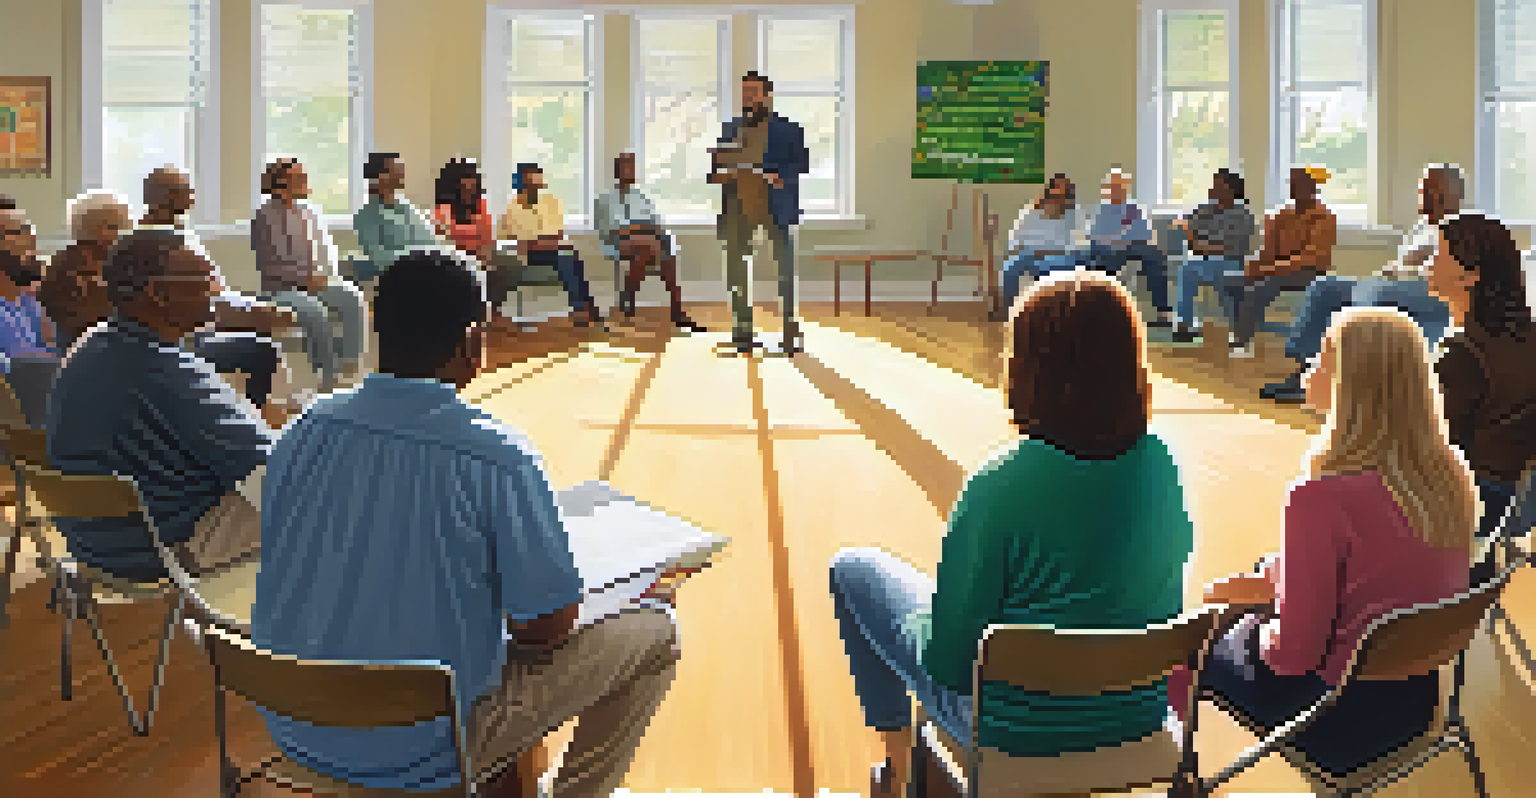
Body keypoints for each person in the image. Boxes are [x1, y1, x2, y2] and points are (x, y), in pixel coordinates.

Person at [252, 249, 681, 797]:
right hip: (427, 746)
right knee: (655, 629)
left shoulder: (300, 432)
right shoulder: (495, 455)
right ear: (470, 341)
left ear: (380, 330)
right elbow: (544, 628)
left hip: (294, 722)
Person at [829, 270, 1194, 798]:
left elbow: (949, 665)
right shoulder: (1164, 464)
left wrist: (928, 616)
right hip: (1136, 718)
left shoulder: (999, 485)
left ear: (1028, 369)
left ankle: (899, 762)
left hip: (1013, 733)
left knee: (854, 570)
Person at [1173, 306, 1476, 778]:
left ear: (1352, 384)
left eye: (1323, 355)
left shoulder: (1320, 498)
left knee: (1194, 639)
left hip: (1331, 718)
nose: (1311, 365)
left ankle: (1186, 777)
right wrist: (1277, 582)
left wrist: (1258, 615)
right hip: (1414, 705)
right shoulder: (1449, 476)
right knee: (1259, 579)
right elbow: (1382, 568)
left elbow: (1292, 659)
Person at [47, 229, 283, 583]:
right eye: (204, 278)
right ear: (159, 293)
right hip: (165, 547)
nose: (215, 289)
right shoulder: (164, 370)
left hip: (92, 544)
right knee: (333, 500)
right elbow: (272, 467)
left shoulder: (91, 345)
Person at [1261, 166, 1462, 402]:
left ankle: (1336, 375)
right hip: (1396, 284)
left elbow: (1442, 270)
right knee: (1327, 285)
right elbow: (1401, 263)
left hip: (1432, 292)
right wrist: (1393, 271)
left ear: (1453, 194)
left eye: (1433, 190)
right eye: (1424, 189)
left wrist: (1401, 270)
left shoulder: (1460, 227)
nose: (1426, 196)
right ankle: (1305, 369)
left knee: (1373, 289)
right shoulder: (1421, 227)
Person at [136, 168, 299, 417]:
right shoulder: (154, 240)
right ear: (164, 195)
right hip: (180, 341)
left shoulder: (178, 230)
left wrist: (249, 308)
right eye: (185, 190)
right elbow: (196, 299)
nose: (192, 195)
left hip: (203, 323)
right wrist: (247, 313)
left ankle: (266, 412)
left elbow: (213, 289)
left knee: (267, 334)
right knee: (262, 348)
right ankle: (263, 416)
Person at [1426, 213, 1536, 548]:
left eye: (1439, 255)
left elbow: (1433, 447)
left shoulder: (1462, 353)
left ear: (1470, 276)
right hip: (1519, 502)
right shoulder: (1527, 334)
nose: (1429, 264)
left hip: (1475, 502)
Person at [711, 71, 811, 355]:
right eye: (744, 93)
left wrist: (779, 176)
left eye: (753, 92)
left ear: (767, 95)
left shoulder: (789, 129)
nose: (748, 98)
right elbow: (717, 165)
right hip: (738, 206)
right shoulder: (731, 129)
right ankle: (742, 331)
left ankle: (790, 330)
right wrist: (720, 174)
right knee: (736, 270)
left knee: (784, 269)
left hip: (775, 205)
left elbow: (800, 165)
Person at [252, 158, 371, 391]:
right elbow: (270, 267)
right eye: (299, 178)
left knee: (352, 298)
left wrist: (327, 277)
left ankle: (349, 367)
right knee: (314, 312)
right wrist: (304, 279)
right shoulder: (264, 217)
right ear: (280, 184)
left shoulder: (309, 212)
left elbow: (325, 254)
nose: (305, 181)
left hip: (315, 282)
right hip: (280, 289)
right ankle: (329, 378)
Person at [1220, 166, 1338, 358]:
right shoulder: (1283, 215)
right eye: (1291, 184)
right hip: (1277, 269)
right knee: (1231, 281)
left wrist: (1269, 269)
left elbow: (1311, 257)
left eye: (1298, 184)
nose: (1293, 189)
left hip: (1308, 271)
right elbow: (1268, 252)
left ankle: (1241, 342)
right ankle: (1240, 329)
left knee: (1261, 287)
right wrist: (1256, 263)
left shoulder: (1324, 217)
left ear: (1312, 188)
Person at [595, 151, 702, 332]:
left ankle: (631, 295)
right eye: (626, 167)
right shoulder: (606, 199)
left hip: (645, 243)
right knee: (655, 247)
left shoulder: (642, 197)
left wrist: (649, 230)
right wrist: (642, 229)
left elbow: (656, 223)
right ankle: (675, 311)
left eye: (632, 167)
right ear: (617, 171)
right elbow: (617, 229)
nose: (630, 171)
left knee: (652, 248)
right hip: (616, 242)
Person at [498, 162, 603, 327]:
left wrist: (546, 240)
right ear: (522, 180)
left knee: (571, 257)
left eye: (537, 175)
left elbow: (558, 233)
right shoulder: (513, 207)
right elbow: (526, 241)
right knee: (568, 257)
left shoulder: (550, 202)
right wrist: (546, 240)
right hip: (529, 254)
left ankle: (582, 307)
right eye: (531, 176)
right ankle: (584, 307)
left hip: (553, 249)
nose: (536, 180)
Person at [1079, 169, 1174, 328]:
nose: (1116, 190)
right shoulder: (1102, 210)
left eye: (1120, 186)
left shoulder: (1134, 209)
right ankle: (1096, 313)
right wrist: (1110, 240)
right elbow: (1093, 235)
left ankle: (1163, 313)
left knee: (1154, 254)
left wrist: (1123, 239)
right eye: (1113, 186)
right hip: (1106, 248)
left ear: (1126, 188)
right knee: (1091, 256)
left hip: (1130, 247)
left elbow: (1144, 233)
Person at [1170, 169, 1257, 343]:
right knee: (1187, 270)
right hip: (1206, 261)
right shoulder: (1206, 209)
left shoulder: (1243, 214)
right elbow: (1183, 227)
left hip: (1231, 261)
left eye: (1218, 185)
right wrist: (1196, 236)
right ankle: (1184, 325)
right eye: (1214, 184)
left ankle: (1238, 328)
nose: (1213, 189)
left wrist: (1204, 246)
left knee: (1221, 276)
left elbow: (1235, 248)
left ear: (1230, 189)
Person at [39, 191, 130, 350]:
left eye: (124, 226)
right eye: (113, 227)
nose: (121, 234)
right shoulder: (66, 268)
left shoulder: (118, 262)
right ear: (88, 228)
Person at [351, 152, 441, 284]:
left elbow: (429, 241)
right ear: (381, 177)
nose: (401, 174)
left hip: (422, 266)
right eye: (396, 169)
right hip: (396, 274)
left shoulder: (406, 208)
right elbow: (378, 256)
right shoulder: (366, 215)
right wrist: (413, 258)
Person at [996, 173, 1080, 316]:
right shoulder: (1031, 212)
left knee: (1056, 263)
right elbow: (1015, 238)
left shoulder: (1073, 216)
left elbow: (1072, 245)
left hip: (1056, 258)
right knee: (1010, 266)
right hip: (1028, 255)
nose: (1057, 196)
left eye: (1062, 193)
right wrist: (1023, 251)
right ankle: (1007, 310)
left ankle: (1051, 313)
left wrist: (1044, 252)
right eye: (1055, 190)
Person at [433, 157, 495, 264]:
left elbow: (487, 247)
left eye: (472, 179)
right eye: (464, 179)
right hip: (451, 265)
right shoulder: (442, 211)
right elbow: (443, 244)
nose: (469, 184)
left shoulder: (482, 205)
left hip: (479, 266)